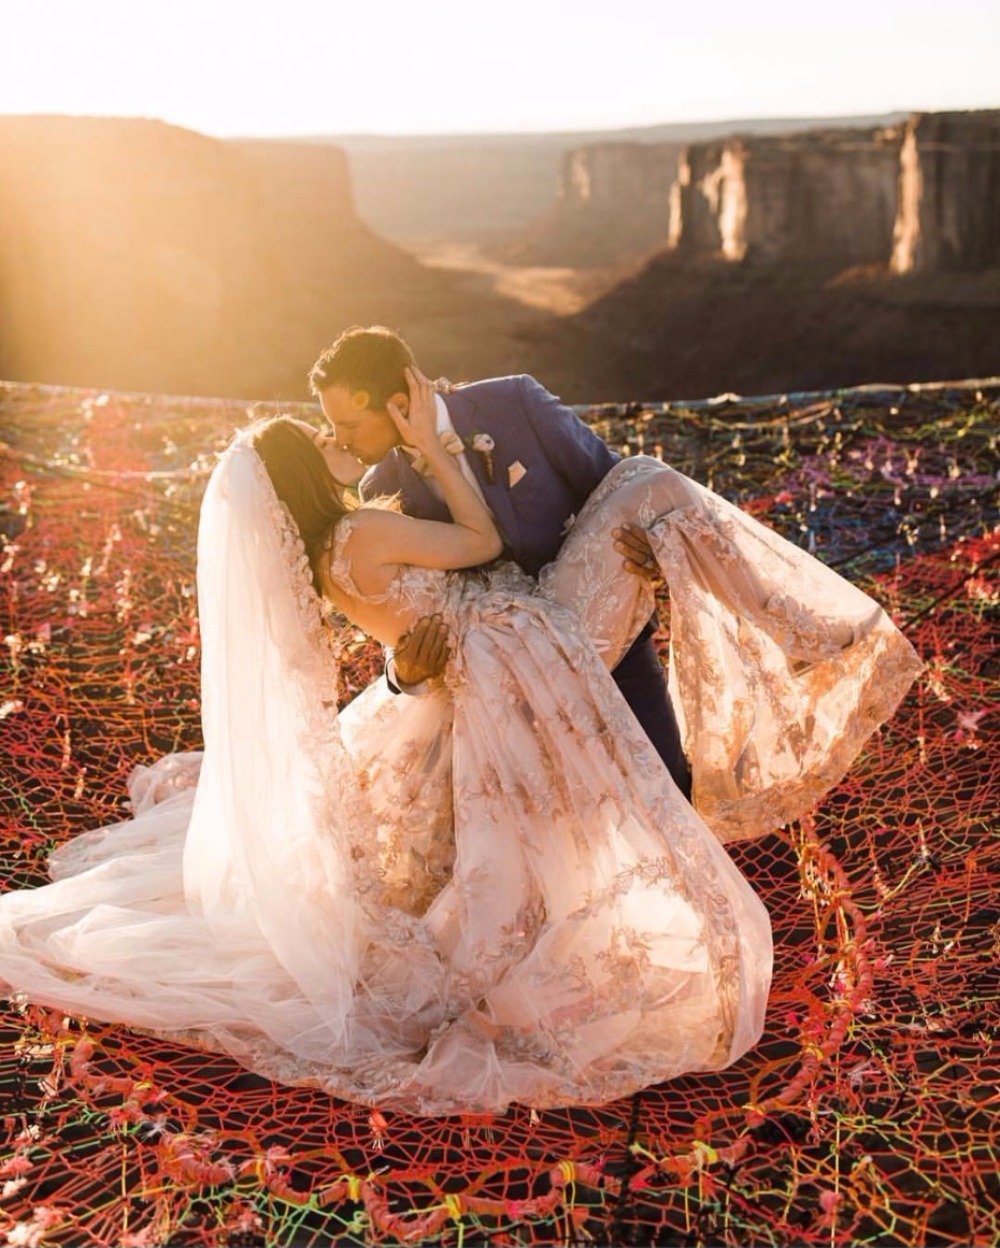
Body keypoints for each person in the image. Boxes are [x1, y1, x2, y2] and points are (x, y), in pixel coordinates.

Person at [0, 373, 922, 1115]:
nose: (339, 445)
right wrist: (440, 457)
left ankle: (805, 639)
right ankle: (820, 638)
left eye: (341, 426)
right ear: (300, 475)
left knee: (641, 487)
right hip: (523, 649)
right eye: (321, 439)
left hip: (511, 647)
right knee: (652, 487)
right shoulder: (368, 517)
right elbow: (478, 545)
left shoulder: (337, 554)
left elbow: (422, 622)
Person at [308, 325, 693, 799]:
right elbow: (406, 603)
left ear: (398, 403)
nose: (341, 439)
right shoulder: (378, 488)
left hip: (612, 647)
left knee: (668, 793)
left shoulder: (515, 402)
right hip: (513, 697)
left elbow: (611, 483)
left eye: (350, 425)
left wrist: (654, 548)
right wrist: (403, 672)